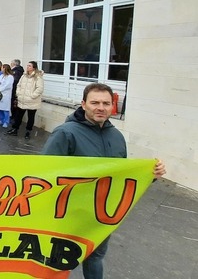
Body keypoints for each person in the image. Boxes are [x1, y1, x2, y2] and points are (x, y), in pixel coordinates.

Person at [42, 83, 166, 279]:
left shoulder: (116, 136)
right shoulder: (65, 133)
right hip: (68, 215)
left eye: (106, 103)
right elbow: (44, 173)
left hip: (101, 214)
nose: (101, 107)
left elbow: (122, 176)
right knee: (57, 262)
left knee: (95, 258)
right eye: (95, 102)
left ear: (112, 106)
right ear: (83, 104)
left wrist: (150, 175)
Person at [7, 60, 44, 140]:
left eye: (29, 66)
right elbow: (19, 85)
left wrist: (32, 96)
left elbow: (39, 89)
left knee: (31, 117)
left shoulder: (38, 77)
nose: (27, 67)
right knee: (18, 116)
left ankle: (28, 131)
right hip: (22, 100)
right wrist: (18, 94)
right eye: (27, 65)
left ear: (34, 68)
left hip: (32, 101)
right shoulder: (24, 76)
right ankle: (15, 129)